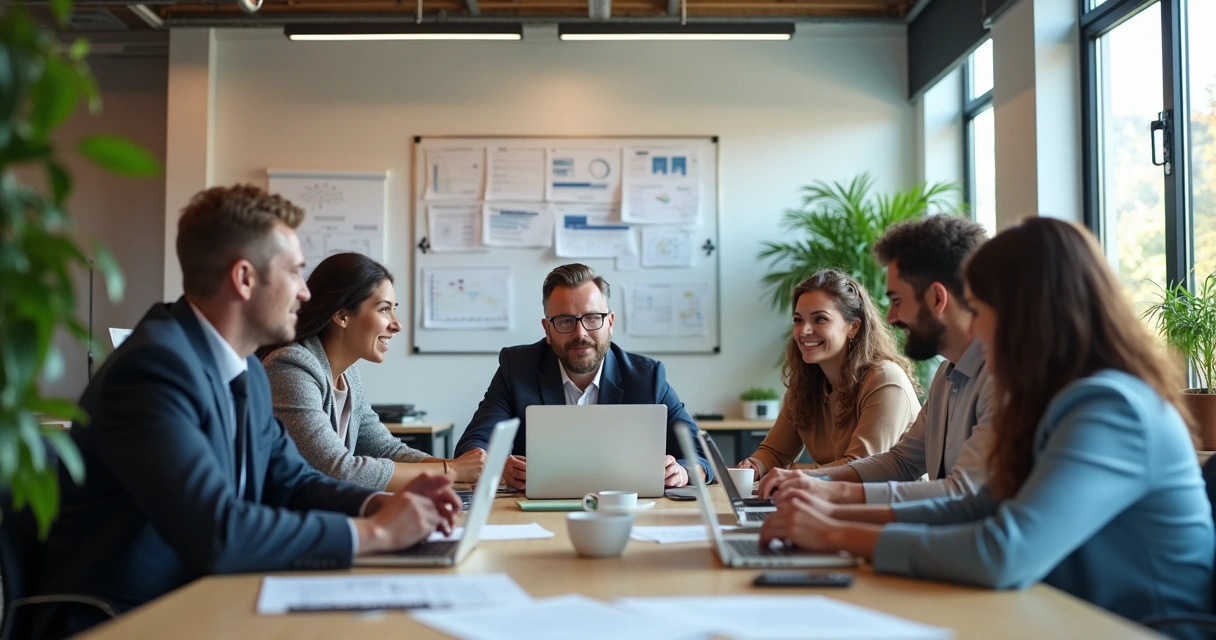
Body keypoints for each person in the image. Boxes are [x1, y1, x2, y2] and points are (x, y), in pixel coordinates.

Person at [37, 185, 461, 637]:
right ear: (244, 278)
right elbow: (219, 530)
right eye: (296, 272)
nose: (304, 292)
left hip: (204, 595)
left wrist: (382, 503)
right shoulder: (151, 372)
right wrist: (377, 534)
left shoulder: (246, 371)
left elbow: (292, 480)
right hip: (125, 616)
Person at [758, 217, 1214, 631]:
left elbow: (1003, 551)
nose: (971, 328)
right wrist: (827, 512)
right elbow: (974, 506)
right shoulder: (1057, 397)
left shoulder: (1109, 407)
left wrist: (834, 531)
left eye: (978, 308)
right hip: (1066, 613)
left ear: (1024, 310)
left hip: (1137, 626)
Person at [759, 214, 994, 504]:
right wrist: (809, 481)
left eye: (897, 300)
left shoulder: (1001, 381)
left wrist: (825, 512)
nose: (891, 317)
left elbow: (959, 497)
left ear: (936, 298)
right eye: (798, 320)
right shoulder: (947, 376)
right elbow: (901, 462)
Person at [454, 263, 710, 490]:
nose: (580, 333)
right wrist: (500, 466)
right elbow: (473, 446)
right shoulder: (517, 368)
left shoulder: (647, 376)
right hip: (534, 510)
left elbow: (701, 455)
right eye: (565, 321)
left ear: (610, 322)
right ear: (548, 329)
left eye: (592, 318)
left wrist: (684, 472)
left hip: (626, 511)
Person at [260, 252, 485, 491]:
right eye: (384, 309)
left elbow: (387, 450)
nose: (396, 324)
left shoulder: (349, 376)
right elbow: (337, 469)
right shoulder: (290, 367)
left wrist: (465, 469)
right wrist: (451, 471)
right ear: (342, 315)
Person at [738, 269, 920, 475]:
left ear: (854, 327)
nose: (804, 330)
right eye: (798, 320)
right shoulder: (806, 386)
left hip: (896, 504)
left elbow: (861, 467)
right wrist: (751, 467)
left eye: (820, 319)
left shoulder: (885, 379)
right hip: (840, 501)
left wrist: (794, 478)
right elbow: (774, 453)